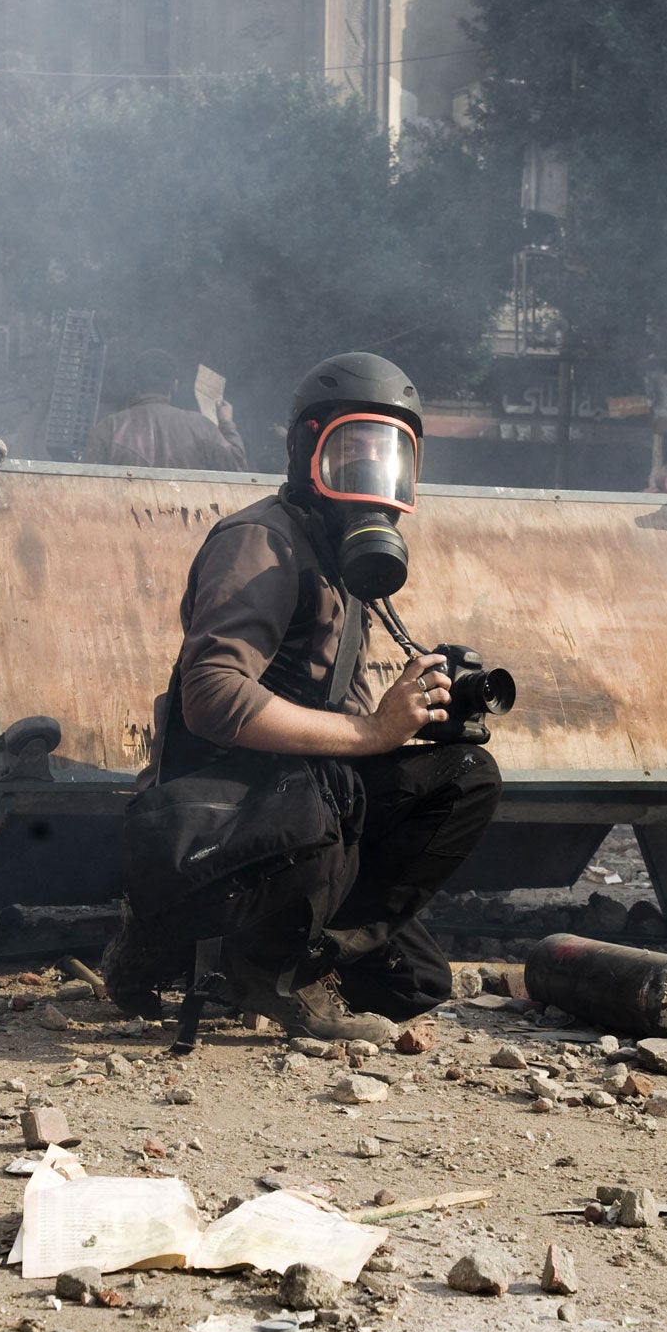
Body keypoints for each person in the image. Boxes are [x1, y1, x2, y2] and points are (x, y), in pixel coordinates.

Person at [105, 352, 501, 1043]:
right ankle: (249, 961)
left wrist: (410, 721)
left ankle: (297, 955)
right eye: (352, 454)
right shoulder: (260, 540)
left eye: (389, 459)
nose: (371, 481)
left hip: (302, 797)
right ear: (304, 451)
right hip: (227, 801)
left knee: (415, 978)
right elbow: (210, 695)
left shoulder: (340, 562)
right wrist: (372, 736)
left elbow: (345, 722)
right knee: (333, 785)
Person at [83, 347, 250, 472]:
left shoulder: (108, 427)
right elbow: (237, 467)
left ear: (136, 384)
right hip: (187, 518)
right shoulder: (201, 425)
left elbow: (85, 480)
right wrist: (227, 422)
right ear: (174, 386)